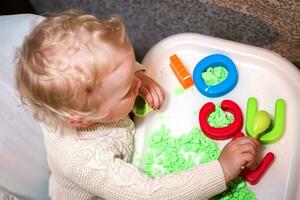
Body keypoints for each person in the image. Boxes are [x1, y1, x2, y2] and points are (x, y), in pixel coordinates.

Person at [15, 10, 260, 200]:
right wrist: (222, 169)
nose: (135, 81)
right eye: (126, 90)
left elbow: (112, 77)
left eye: (131, 68)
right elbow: (149, 194)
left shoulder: (83, 99)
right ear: (83, 119)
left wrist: (139, 76)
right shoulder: (85, 162)